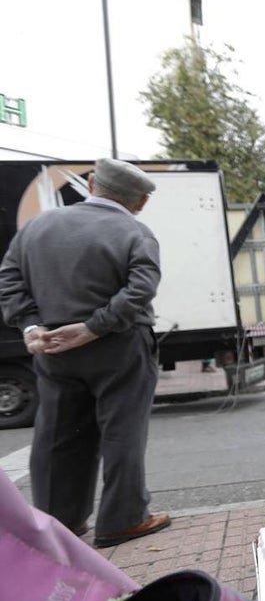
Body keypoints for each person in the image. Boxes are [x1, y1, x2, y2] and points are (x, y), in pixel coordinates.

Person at [0, 158, 171, 547]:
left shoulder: (37, 228)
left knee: (57, 435)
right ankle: (123, 519)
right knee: (122, 431)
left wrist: (30, 325)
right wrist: (95, 326)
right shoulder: (136, 232)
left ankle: (59, 522)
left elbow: (8, 279)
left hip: (53, 346)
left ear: (92, 183)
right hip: (121, 345)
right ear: (141, 201)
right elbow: (140, 290)